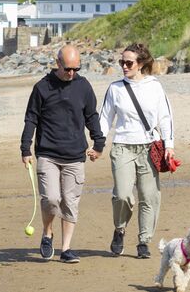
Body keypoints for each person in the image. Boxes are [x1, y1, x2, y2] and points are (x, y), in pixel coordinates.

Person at [21, 44, 105, 264]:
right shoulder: (42, 87)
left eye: (76, 69)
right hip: (48, 153)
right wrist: (25, 148)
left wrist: (99, 143)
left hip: (75, 155)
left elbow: (91, 116)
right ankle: (47, 234)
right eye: (68, 68)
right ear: (57, 63)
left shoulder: (83, 86)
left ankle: (66, 248)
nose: (71, 73)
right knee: (51, 199)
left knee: (70, 202)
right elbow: (31, 118)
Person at [99, 43, 175, 259]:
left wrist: (169, 146)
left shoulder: (155, 86)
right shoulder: (115, 89)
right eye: (121, 62)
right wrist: (98, 144)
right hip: (122, 146)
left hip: (150, 146)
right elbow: (105, 118)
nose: (124, 66)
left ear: (141, 64)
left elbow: (166, 117)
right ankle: (120, 229)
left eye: (128, 62)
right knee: (122, 195)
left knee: (149, 197)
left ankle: (144, 241)